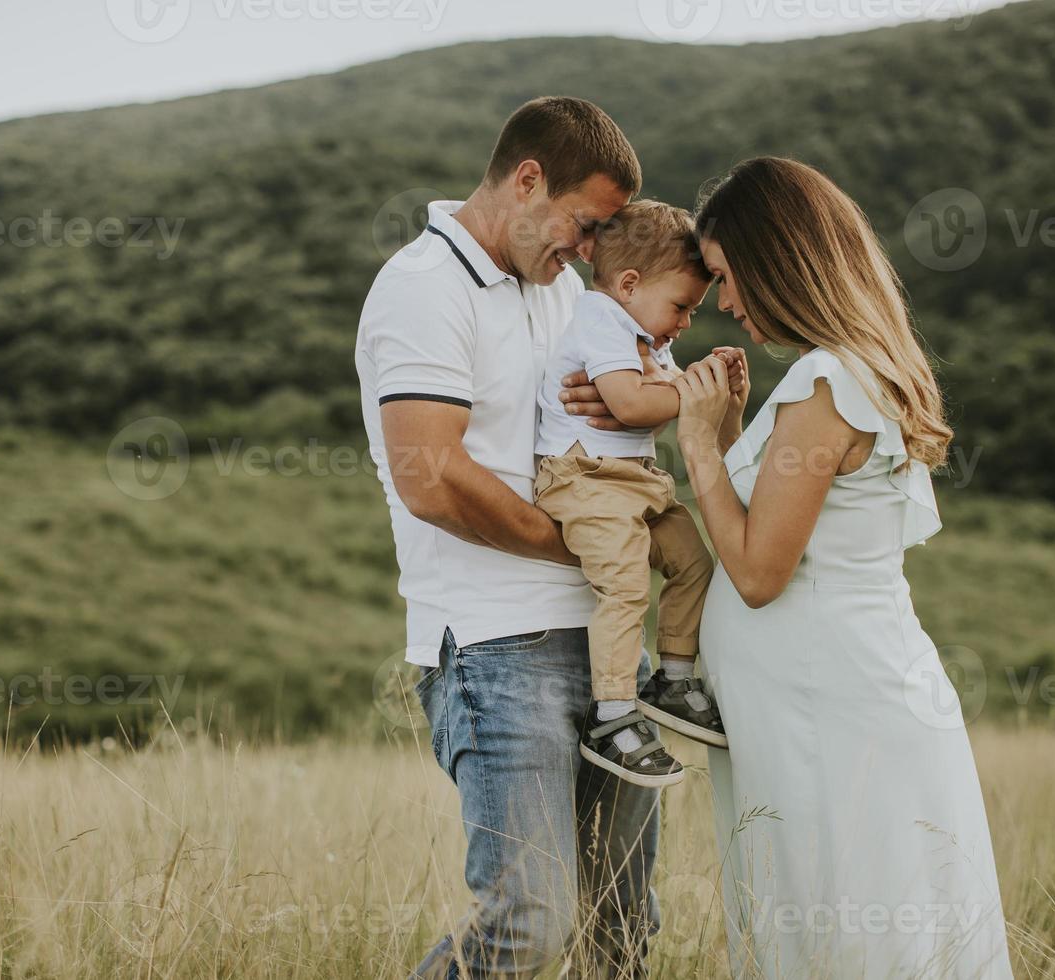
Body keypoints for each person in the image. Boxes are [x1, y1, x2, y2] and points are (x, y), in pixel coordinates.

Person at [672, 156, 1016, 977]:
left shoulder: (828, 382)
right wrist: (729, 436)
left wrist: (695, 448)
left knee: (846, 937)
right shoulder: (843, 374)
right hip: (822, 708)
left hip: (832, 719)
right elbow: (768, 537)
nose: (723, 302)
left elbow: (758, 574)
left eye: (726, 277)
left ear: (775, 259)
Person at [355, 96, 662, 977]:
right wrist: (583, 547)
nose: (591, 248)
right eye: (584, 222)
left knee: (621, 931)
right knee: (530, 923)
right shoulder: (422, 287)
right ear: (528, 180)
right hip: (497, 648)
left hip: (609, 646)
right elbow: (430, 477)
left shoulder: (569, 292)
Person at [533, 199, 729, 788]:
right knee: (623, 584)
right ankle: (611, 715)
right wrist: (700, 393)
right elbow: (634, 405)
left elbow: (652, 401)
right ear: (628, 283)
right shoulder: (601, 318)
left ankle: (671, 677)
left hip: (634, 483)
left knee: (693, 560)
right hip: (583, 479)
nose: (686, 323)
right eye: (681, 307)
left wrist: (686, 385)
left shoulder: (641, 328)